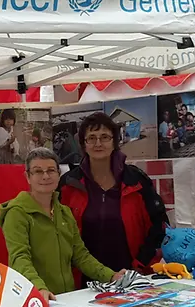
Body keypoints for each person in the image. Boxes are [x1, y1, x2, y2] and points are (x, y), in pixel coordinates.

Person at [0, 148, 126, 301]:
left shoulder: (64, 212)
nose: (45, 176)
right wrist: (39, 288)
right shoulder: (17, 213)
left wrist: (111, 276)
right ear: (28, 177)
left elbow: (80, 255)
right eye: (38, 171)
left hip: (66, 300)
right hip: (34, 301)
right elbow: (19, 258)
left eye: (51, 170)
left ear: (59, 175)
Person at [58, 112, 168, 277]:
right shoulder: (68, 183)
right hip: (83, 280)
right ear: (83, 144)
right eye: (91, 138)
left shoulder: (136, 180)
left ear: (115, 141)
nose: (98, 143)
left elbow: (158, 226)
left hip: (131, 276)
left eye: (104, 137)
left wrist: (141, 263)